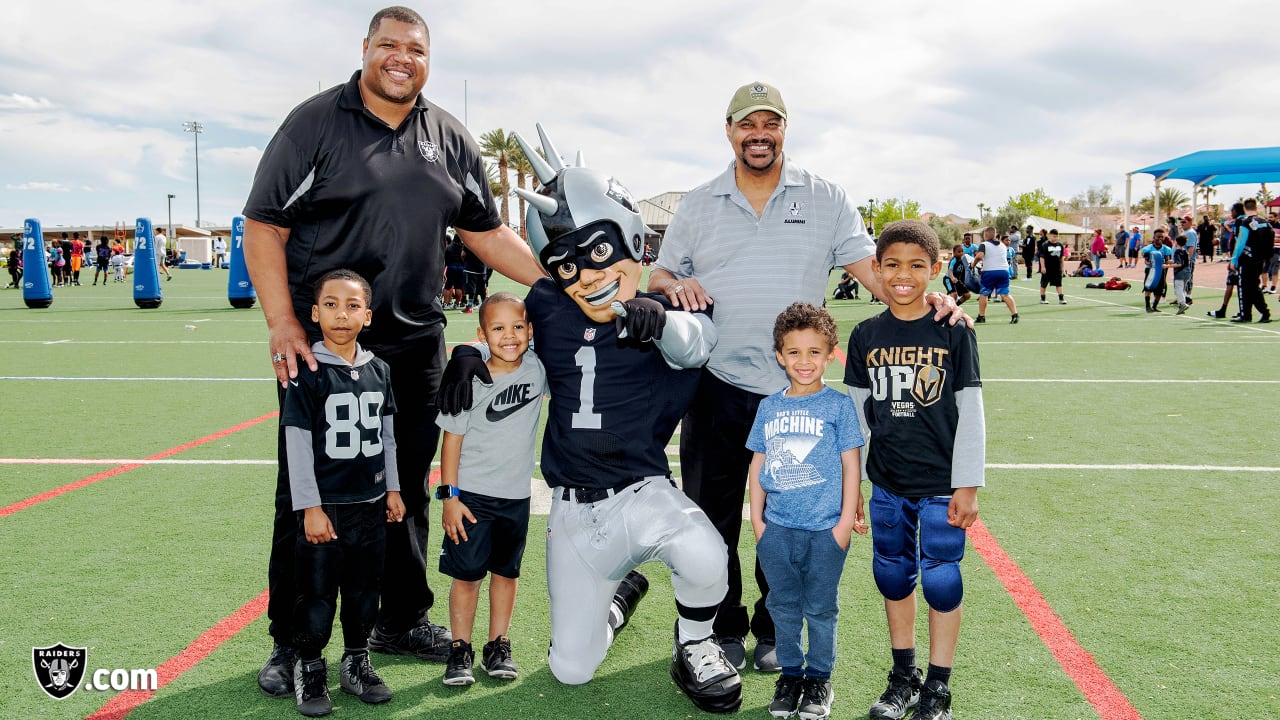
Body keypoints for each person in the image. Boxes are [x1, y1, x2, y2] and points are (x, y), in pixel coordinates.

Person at [241, 6, 545, 699]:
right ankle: (294, 640)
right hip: (330, 346)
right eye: (389, 45)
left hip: (415, 345)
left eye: (415, 48)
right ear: (366, 50)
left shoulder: (448, 135)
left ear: (428, 59)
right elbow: (263, 225)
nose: (401, 57)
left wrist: (556, 285)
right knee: (310, 490)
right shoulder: (315, 123)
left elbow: (487, 232)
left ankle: (401, 619)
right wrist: (283, 322)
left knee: (400, 484)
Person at [647, 81, 963, 674]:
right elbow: (662, 272)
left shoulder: (825, 197)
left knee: (787, 516)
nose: (759, 135)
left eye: (771, 124)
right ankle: (719, 627)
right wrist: (673, 284)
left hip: (796, 396)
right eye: (748, 125)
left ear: (785, 130)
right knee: (710, 517)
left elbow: (875, 272)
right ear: (729, 130)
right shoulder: (698, 202)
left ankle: (772, 626)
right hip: (715, 384)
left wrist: (928, 301)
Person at [440, 130, 742, 712]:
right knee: (571, 671)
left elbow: (696, 345)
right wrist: (468, 352)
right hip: (575, 512)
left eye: (597, 253)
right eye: (567, 265)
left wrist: (656, 317)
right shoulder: (550, 306)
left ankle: (695, 643)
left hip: (644, 492)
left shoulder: (673, 309)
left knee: (708, 555)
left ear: (630, 236)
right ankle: (617, 601)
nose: (587, 276)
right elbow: (507, 337)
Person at [843, 220, 985, 720]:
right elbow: (857, 421)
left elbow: (972, 412)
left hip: (941, 486)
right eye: (893, 265)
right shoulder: (864, 335)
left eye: (917, 265)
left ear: (936, 269)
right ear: (877, 270)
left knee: (943, 582)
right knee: (893, 579)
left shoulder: (953, 330)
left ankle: (939, 686)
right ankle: (903, 676)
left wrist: (967, 485)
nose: (904, 275)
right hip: (887, 483)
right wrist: (853, 486)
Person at [282, 269, 405, 717]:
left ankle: (356, 660)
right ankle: (309, 665)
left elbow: (388, 438)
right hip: (327, 507)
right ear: (315, 313)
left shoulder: (380, 370)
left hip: (370, 505)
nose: (341, 314)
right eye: (331, 304)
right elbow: (296, 445)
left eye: (352, 306)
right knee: (316, 594)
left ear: (367, 316)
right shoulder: (307, 372)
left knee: (363, 590)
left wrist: (392, 488)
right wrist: (310, 507)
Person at [747, 302, 867, 720]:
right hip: (777, 528)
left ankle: (819, 678)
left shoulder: (837, 407)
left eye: (814, 352)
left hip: (824, 531)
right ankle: (791, 674)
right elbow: (758, 464)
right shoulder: (769, 407)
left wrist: (843, 525)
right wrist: (758, 521)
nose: (804, 361)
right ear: (780, 355)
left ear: (831, 352)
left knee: (819, 607)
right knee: (782, 604)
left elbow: (852, 466)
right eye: (794, 352)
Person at [435, 292, 545, 687]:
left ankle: (497, 644)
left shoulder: (536, 366)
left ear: (530, 331)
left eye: (518, 327)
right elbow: (451, 441)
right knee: (467, 577)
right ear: (483, 333)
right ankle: (459, 648)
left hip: (516, 496)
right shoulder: (470, 377)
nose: (510, 336)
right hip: (472, 498)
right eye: (498, 329)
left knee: (506, 573)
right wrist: (450, 496)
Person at [1229, 199, 1274, 323]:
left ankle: (1247, 314)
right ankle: (1261, 313)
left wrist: (1234, 260)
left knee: (1245, 287)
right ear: (1256, 207)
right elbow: (1270, 241)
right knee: (1253, 286)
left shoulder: (1246, 223)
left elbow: (1240, 243)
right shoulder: (1265, 223)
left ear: (1244, 208)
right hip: (1260, 260)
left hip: (1247, 259)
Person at [973, 226, 1018, 324]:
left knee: (984, 294)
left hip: (990, 272)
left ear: (986, 235)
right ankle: (1015, 314)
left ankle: (981, 316)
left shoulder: (984, 244)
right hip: (1004, 271)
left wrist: (973, 264)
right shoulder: (1002, 245)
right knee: (1005, 294)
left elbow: (980, 256)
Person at [1141, 228, 1173, 313]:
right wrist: (1149, 263)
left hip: (1161, 271)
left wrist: (1171, 262)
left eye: (1161, 237)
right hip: (1150, 270)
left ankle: (1154, 306)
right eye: (1158, 237)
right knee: (1148, 287)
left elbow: (1167, 260)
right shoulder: (1148, 248)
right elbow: (1146, 260)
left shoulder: (1166, 249)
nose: (1160, 238)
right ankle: (1148, 306)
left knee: (1160, 289)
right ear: (1154, 237)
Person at [1038, 229, 1066, 305]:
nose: (1055, 238)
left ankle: (1061, 298)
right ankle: (1043, 298)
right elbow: (1041, 257)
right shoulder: (1045, 245)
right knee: (1044, 283)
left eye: (1057, 236)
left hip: (1057, 268)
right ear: (1050, 236)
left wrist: (1062, 267)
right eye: (1054, 236)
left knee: (1059, 283)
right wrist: (1043, 267)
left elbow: (1062, 258)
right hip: (1047, 268)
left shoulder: (1060, 245)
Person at [442, 234, 466, 309]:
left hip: (451, 267)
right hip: (461, 268)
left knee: (448, 286)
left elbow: (445, 259)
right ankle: (457, 304)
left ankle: (446, 304)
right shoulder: (463, 247)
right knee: (458, 287)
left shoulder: (449, 248)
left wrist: (443, 270)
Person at [1171, 234, 1192, 314]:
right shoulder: (1185, 251)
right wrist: (1171, 262)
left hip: (1180, 272)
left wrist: (1167, 266)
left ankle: (1183, 304)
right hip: (1187, 271)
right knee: (1182, 289)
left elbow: (1179, 264)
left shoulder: (1177, 252)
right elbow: (1185, 262)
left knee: (1178, 289)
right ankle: (1181, 306)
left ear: (1176, 242)